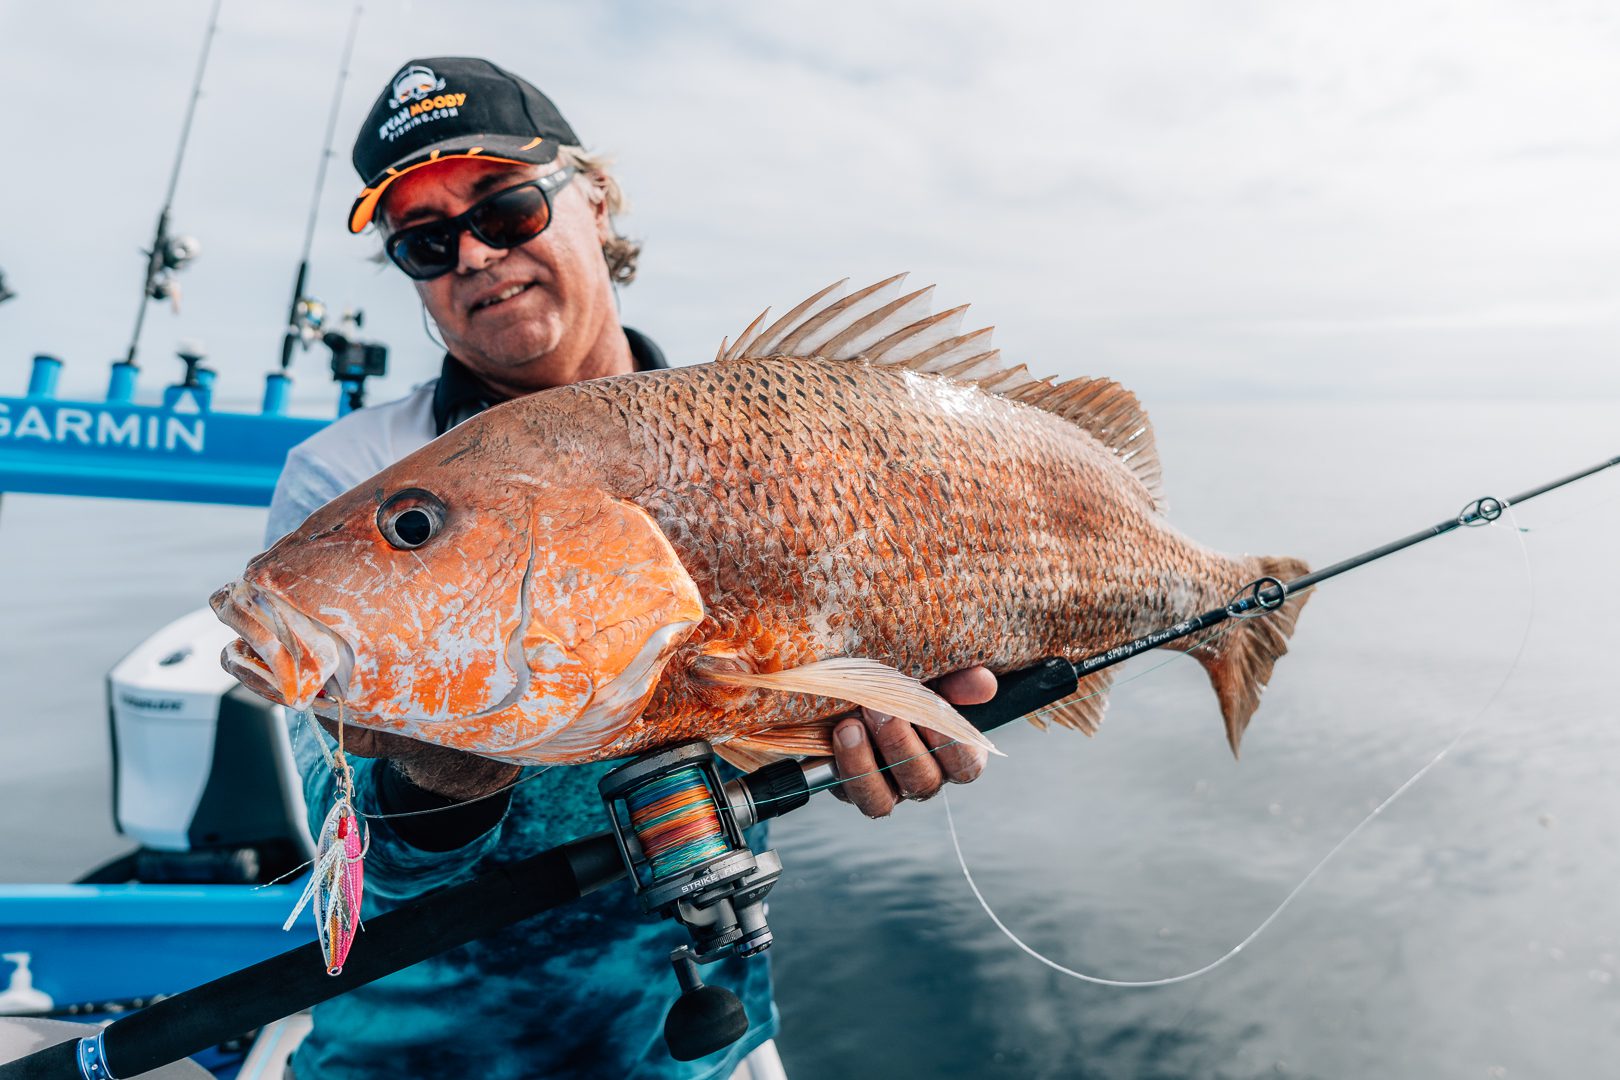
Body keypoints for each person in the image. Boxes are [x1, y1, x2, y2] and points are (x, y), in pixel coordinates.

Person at [265, 56, 996, 1080]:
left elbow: (838, 695)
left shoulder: (767, 425)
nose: (472, 253)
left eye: (506, 206)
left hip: (700, 1030)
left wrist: (884, 722)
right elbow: (360, 869)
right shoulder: (345, 478)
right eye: (425, 241)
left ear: (596, 200)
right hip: (413, 1053)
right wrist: (433, 771)